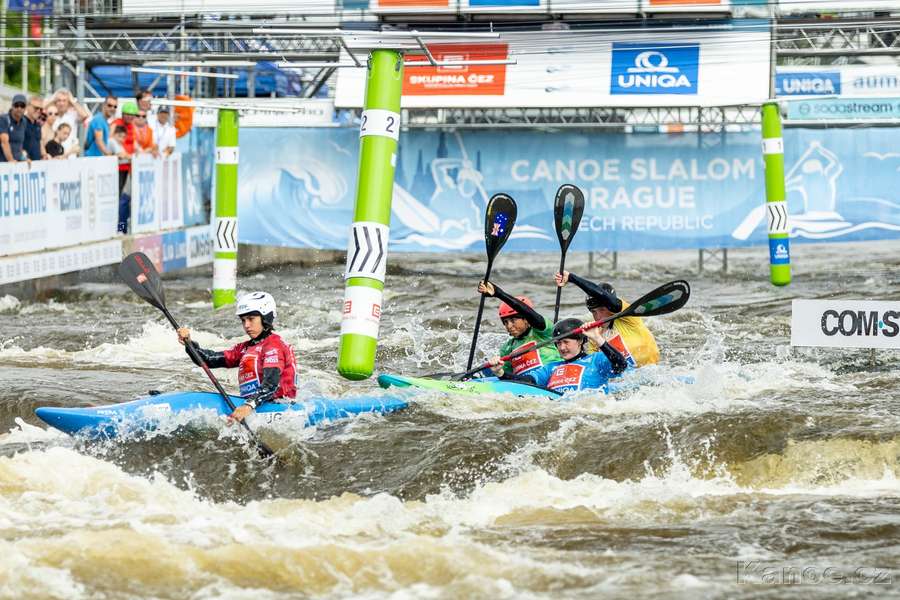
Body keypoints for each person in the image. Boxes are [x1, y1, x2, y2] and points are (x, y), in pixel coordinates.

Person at [176, 292, 297, 423]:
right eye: (243, 320)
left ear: (265, 318)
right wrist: (189, 344)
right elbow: (208, 360)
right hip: (256, 403)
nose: (246, 325)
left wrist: (248, 406)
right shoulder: (245, 348)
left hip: (278, 406)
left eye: (251, 319)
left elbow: (270, 385)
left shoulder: (274, 346)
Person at [555, 271, 659, 367]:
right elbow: (594, 366)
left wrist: (571, 278)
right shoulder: (595, 335)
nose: (598, 316)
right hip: (625, 380)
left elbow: (605, 298)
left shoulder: (627, 316)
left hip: (651, 372)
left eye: (602, 310)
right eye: (593, 312)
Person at [503, 318, 628, 394]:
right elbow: (528, 381)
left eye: (566, 342)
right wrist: (500, 373)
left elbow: (621, 365)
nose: (562, 348)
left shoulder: (596, 359)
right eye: (558, 343)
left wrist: (597, 338)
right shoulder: (551, 368)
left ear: (579, 341)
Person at [477, 280, 561, 379]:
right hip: (526, 384)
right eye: (505, 322)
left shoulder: (544, 332)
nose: (509, 326)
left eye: (513, 320)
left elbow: (529, 314)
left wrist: (498, 293)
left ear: (526, 319)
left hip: (551, 380)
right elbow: (505, 376)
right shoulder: (507, 348)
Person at [111, 101, 138, 194]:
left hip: (127, 166)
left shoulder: (132, 126)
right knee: (115, 192)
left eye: (132, 115)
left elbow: (135, 143)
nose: (130, 117)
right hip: (116, 165)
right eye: (127, 114)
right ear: (123, 114)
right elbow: (110, 141)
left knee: (122, 192)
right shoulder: (116, 123)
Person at [0, 94, 28, 163]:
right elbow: (4, 142)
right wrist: (11, 159)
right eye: (16, 105)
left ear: (25, 108)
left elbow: (20, 145)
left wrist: (24, 158)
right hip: (3, 164)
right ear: (12, 106)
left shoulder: (24, 121)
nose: (19, 108)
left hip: (16, 164)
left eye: (22, 106)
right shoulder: (4, 119)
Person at [23, 95, 44, 161]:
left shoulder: (38, 125)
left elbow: (39, 143)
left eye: (41, 109)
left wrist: (45, 155)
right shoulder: (21, 122)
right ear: (27, 107)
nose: (38, 111)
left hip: (36, 164)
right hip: (23, 164)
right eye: (36, 108)